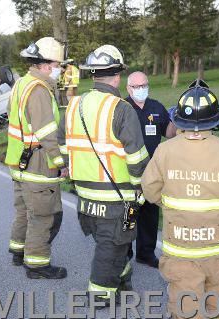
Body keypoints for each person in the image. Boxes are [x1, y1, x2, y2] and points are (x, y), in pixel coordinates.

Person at [142, 80, 219, 319]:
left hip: (182, 248)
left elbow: (150, 190)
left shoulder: (164, 152)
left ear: (179, 119)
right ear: (215, 119)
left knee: (187, 302)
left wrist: (172, 204)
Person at [58, 45, 149, 304]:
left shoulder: (73, 105)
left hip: (85, 196)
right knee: (110, 246)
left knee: (110, 243)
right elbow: (137, 159)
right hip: (116, 197)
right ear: (118, 77)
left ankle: (122, 276)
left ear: (93, 76)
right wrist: (142, 189)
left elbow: (62, 144)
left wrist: (68, 167)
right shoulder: (122, 109)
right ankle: (100, 295)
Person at [4, 37, 69, 279]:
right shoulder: (40, 91)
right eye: (58, 65)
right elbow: (47, 134)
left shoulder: (21, 83)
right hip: (38, 165)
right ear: (45, 64)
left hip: (18, 162)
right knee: (43, 216)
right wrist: (61, 163)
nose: (60, 70)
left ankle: (18, 252)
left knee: (23, 211)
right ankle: (37, 264)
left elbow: (13, 117)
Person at [125, 71, 176, 268]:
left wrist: (178, 121)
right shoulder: (122, 108)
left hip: (152, 171)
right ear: (129, 88)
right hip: (127, 172)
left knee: (150, 213)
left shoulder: (156, 107)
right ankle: (125, 253)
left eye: (144, 85)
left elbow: (169, 132)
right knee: (128, 213)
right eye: (137, 87)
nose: (141, 89)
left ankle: (146, 253)